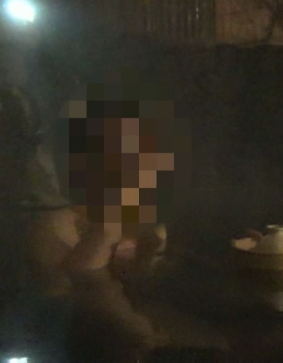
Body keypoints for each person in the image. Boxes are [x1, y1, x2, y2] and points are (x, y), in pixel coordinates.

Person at [26, 80, 177, 361]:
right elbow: (80, 295)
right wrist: (104, 234)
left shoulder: (144, 222)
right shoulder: (55, 231)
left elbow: (152, 296)